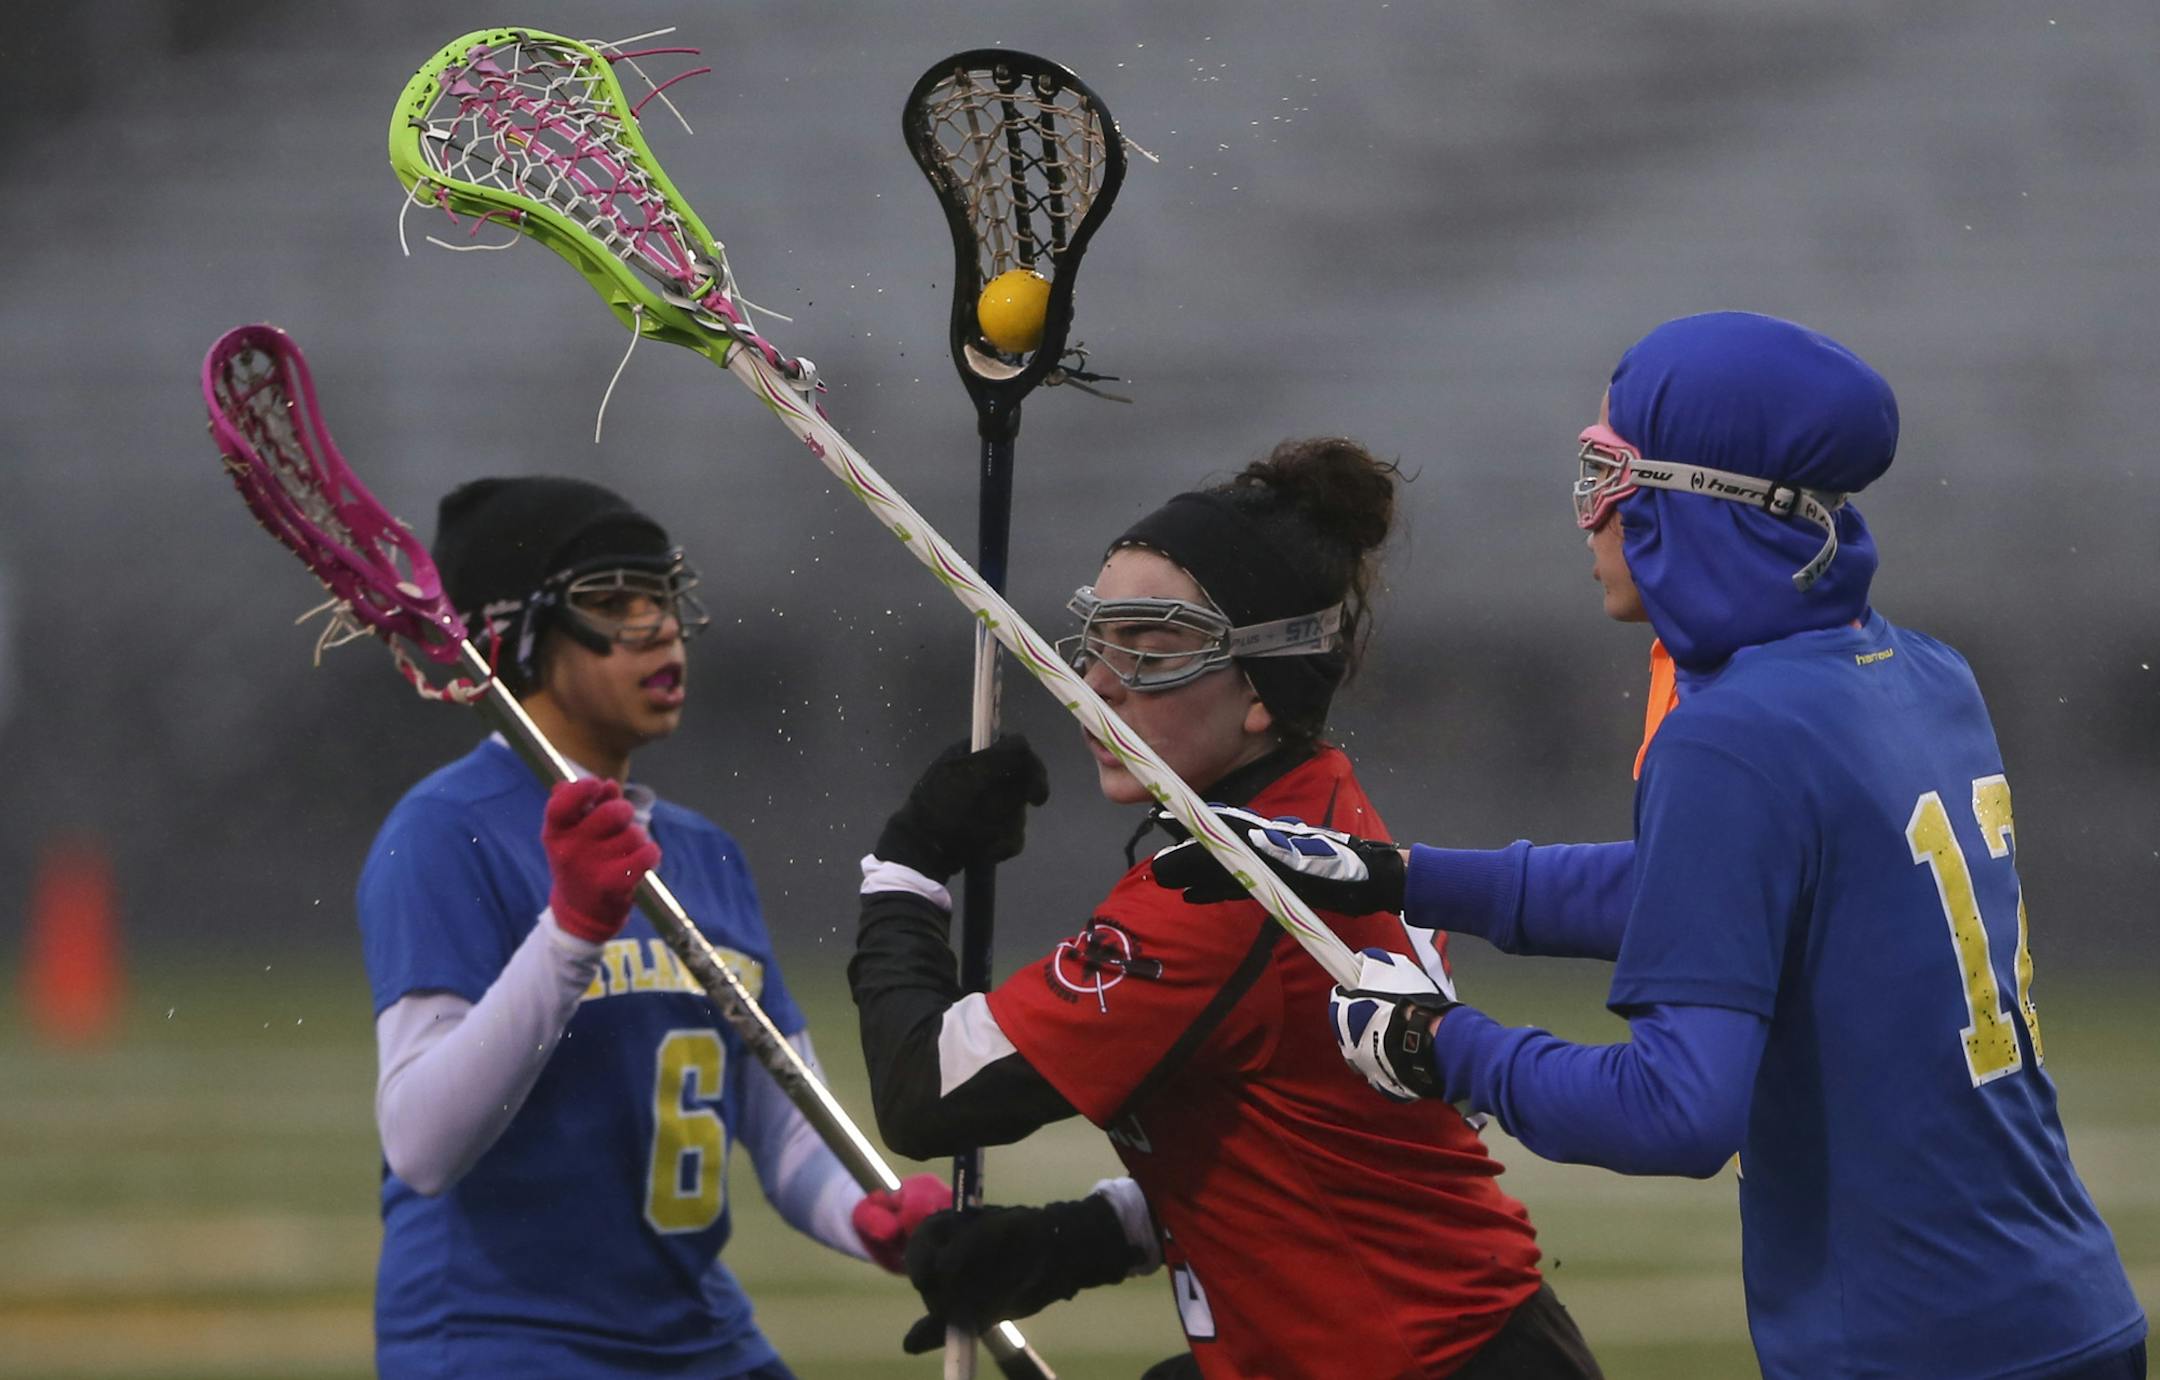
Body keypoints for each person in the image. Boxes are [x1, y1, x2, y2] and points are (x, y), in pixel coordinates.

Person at [1154, 314, 2149, 1380]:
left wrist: (1442, 1048)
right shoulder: (1920, 671)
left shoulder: (1734, 733)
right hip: (2065, 1307)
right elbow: (1709, 893)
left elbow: (1676, 1113)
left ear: (1692, 505)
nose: (1589, 522)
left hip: (1920, 1349)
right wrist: (1404, 881)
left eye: (1608, 478)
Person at [848, 440, 1603, 1379]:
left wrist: (908, 869)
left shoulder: (1223, 894)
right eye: (1096, 643)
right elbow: (1315, 1145)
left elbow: (927, 1094)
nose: (1099, 685)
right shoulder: (1319, 819)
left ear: (1262, 690)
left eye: (1151, 650)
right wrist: (1086, 1237)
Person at [356, 476, 945, 1379]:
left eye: (661, 596)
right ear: (512, 635)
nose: (659, 625)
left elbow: (782, 1124)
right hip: (501, 1338)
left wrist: (863, 1211)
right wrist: (571, 930)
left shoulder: (702, 855)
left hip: (697, 1338)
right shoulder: (443, 833)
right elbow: (423, 1144)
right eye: (610, 602)